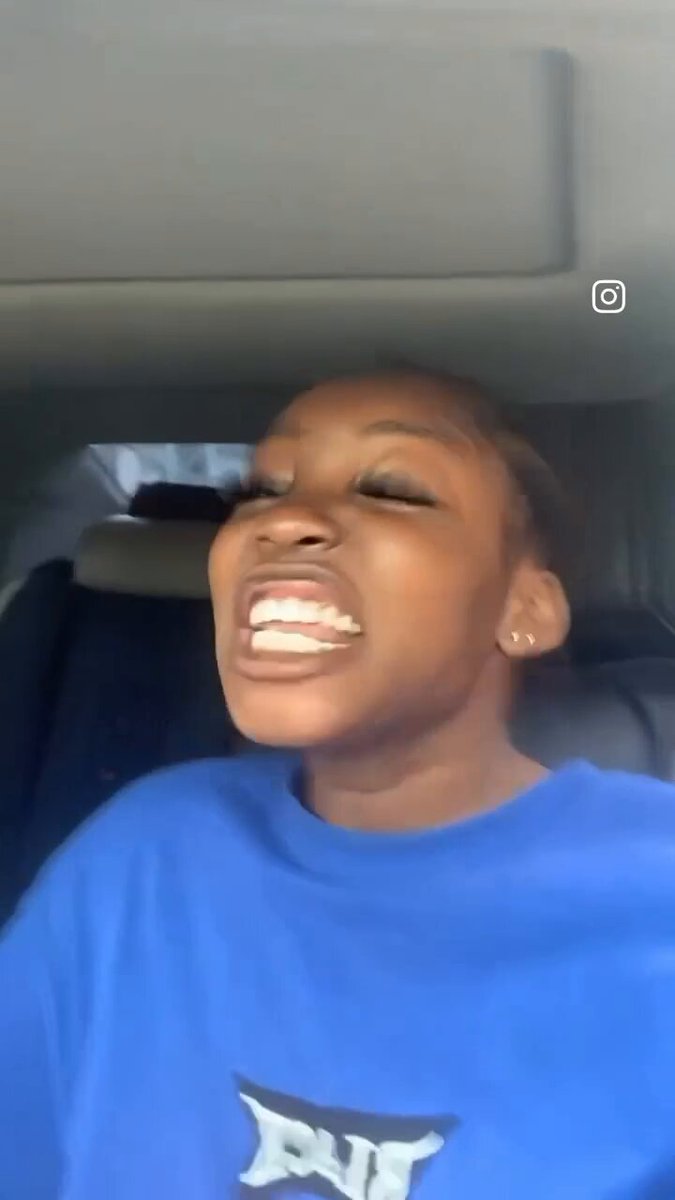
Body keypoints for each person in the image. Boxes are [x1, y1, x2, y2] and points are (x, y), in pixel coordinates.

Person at [1, 369, 675, 1200]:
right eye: (256, 491)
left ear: (523, 608)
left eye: (391, 489)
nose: (281, 520)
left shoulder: (654, 892)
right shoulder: (140, 855)